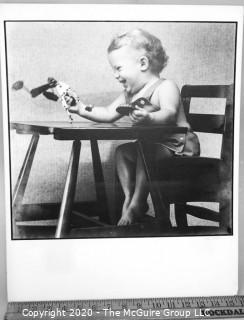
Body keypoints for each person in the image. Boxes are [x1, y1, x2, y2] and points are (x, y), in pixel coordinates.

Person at [66, 28, 200, 226]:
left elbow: (169, 113)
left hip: (179, 146)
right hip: (154, 147)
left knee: (145, 151)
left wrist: (149, 118)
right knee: (123, 152)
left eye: (118, 68)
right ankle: (131, 198)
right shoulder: (130, 94)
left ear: (143, 63)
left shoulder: (166, 86)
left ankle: (137, 202)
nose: (115, 75)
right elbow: (107, 113)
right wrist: (80, 109)